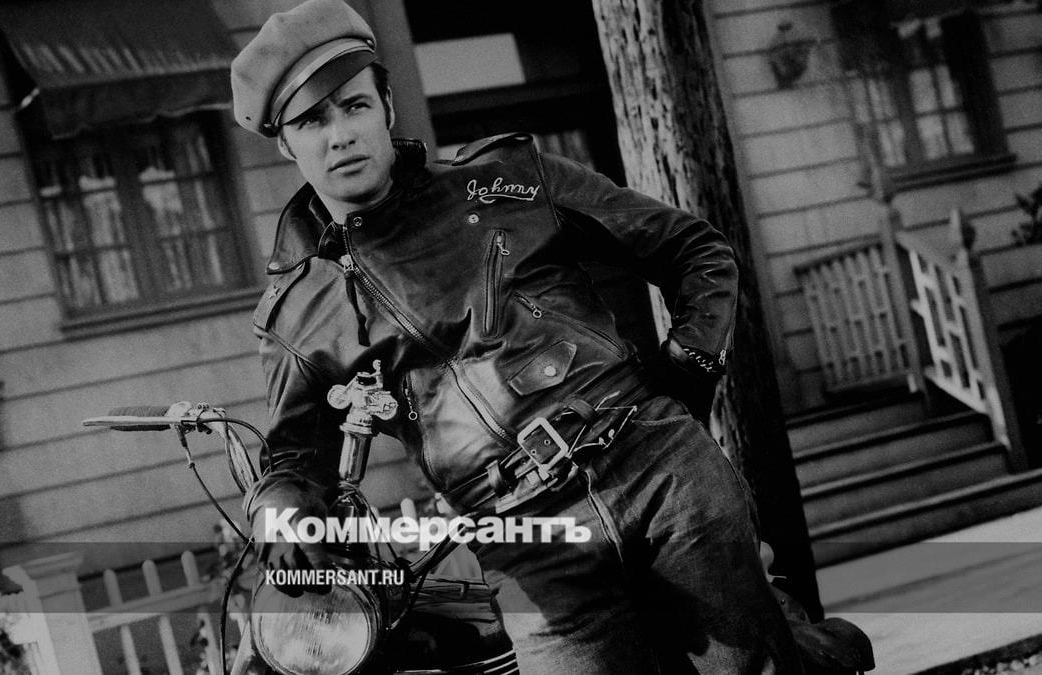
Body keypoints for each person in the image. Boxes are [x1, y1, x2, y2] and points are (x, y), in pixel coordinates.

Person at [230, 0, 803, 672]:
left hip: (655, 472)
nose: (340, 135)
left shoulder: (507, 181)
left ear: (385, 105)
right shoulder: (298, 311)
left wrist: (685, 375)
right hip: (524, 539)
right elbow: (294, 457)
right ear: (285, 143)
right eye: (311, 121)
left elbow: (694, 250)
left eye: (353, 106)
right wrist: (280, 517)